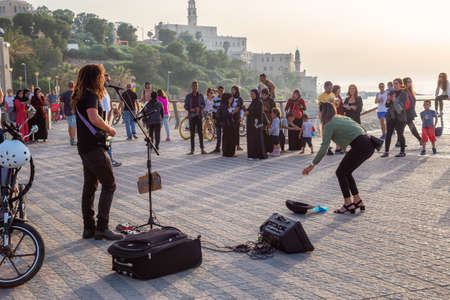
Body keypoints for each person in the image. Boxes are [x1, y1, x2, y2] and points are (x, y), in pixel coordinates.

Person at [71, 64, 122, 241]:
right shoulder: (91, 95)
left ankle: (88, 228)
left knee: (90, 186)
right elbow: (93, 117)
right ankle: (102, 227)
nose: (103, 79)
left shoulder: (79, 96)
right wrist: (110, 129)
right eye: (101, 76)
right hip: (94, 147)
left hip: (84, 147)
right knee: (110, 185)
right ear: (95, 78)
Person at [302, 102, 375, 214]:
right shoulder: (342, 118)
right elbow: (360, 128)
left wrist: (312, 165)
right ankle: (357, 200)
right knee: (346, 172)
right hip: (369, 144)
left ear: (323, 112)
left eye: (319, 111)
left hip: (360, 146)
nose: (318, 114)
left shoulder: (329, 124)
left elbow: (324, 148)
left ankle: (347, 204)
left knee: (340, 172)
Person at [381, 79, 407, 158]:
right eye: (393, 84)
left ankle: (402, 152)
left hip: (400, 117)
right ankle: (386, 152)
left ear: (400, 84)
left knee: (400, 134)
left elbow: (400, 109)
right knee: (388, 134)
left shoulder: (403, 94)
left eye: (396, 83)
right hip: (391, 117)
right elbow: (387, 105)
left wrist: (394, 100)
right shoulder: (392, 93)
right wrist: (388, 100)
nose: (394, 85)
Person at [102, 74, 121, 167]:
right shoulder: (99, 93)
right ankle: (109, 160)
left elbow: (107, 106)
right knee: (107, 141)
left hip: (107, 121)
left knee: (107, 141)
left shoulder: (106, 93)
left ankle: (107, 160)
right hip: (102, 121)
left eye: (108, 81)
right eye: (105, 80)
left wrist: (114, 109)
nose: (107, 82)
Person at [184, 81, 206, 155]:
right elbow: (185, 106)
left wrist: (200, 108)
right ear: (192, 87)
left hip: (199, 115)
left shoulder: (201, 95)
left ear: (197, 86)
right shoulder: (188, 96)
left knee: (200, 133)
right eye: (194, 86)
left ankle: (202, 149)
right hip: (191, 116)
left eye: (196, 86)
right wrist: (190, 109)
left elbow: (203, 104)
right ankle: (192, 150)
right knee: (192, 134)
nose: (195, 87)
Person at [246, 89, 267, 160]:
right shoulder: (252, 102)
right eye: (251, 94)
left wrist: (249, 113)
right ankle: (252, 155)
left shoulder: (259, 102)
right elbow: (249, 110)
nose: (251, 95)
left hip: (256, 124)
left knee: (257, 139)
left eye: (253, 94)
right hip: (251, 124)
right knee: (251, 140)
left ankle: (258, 155)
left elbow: (258, 113)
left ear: (256, 94)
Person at [401, 77, 422, 146]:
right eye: (408, 81)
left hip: (409, 112)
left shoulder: (409, 90)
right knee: (409, 126)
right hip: (404, 112)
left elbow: (412, 101)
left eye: (410, 81)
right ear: (404, 82)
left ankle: (399, 142)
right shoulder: (403, 91)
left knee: (403, 127)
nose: (409, 83)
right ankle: (420, 139)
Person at [318, 81, 336, 155]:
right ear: (325, 87)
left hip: (333, 116)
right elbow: (320, 106)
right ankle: (326, 148)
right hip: (325, 116)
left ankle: (331, 146)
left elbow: (334, 105)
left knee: (332, 132)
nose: (330, 88)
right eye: (329, 87)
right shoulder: (321, 96)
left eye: (331, 87)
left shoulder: (333, 94)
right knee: (325, 132)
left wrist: (336, 102)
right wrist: (328, 101)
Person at [216, 93, 236, 157]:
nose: (231, 100)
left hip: (227, 124)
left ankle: (226, 152)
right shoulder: (225, 106)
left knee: (226, 138)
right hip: (228, 124)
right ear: (227, 99)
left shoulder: (225, 105)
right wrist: (232, 113)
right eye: (230, 99)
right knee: (230, 139)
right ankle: (230, 153)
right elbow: (226, 115)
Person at [60, 81, 77, 146]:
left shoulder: (64, 94)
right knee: (73, 126)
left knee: (70, 125)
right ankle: (72, 140)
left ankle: (71, 139)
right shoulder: (75, 93)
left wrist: (63, 112)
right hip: (73, 112)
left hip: (67, 112)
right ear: (73, 86)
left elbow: (62, 104)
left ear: (68, 86)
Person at [211, 86, 225, 153]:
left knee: (225, 134)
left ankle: (224, 148)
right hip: (217, 118)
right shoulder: (215, 98)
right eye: (219, 91)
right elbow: (213, 109)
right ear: (218, 91)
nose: (221, 92)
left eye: (222, 91)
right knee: (218, 134)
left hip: (224, 118)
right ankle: (217, 148)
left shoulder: (225, 98)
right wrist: (214, 118)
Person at [261, 88, 275, 154]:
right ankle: (264, 148)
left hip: (269, 119)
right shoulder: (260, 100)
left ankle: (270, 149)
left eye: (264, 95)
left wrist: (266, 109)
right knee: (263, 134)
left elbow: (274, 111)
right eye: (262, 95)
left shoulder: (271, 101)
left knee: (269, 134)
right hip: (262, 119)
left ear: (267, 94)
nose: (263, 96)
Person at [231, 86, 244, 151]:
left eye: (234, 90)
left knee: (236, 131)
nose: (232, 91)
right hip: (230, 117)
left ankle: (238, 145)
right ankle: (231, 145)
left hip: (237, 117)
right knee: (231, 131)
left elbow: (240, 109)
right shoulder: (230, 98)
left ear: (237, 91)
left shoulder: (240, 99)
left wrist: (241, 117)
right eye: (232, 90)